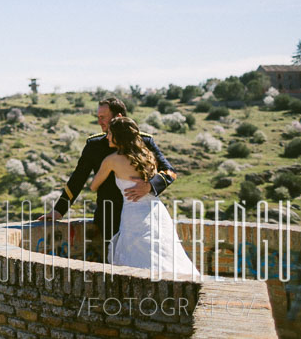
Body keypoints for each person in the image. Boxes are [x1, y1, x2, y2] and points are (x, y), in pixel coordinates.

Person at [37, 97, 177, 249]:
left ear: (118, 117)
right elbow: (77, 178)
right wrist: (59, 210)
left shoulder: (145, 141)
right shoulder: (94, 145)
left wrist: (149, 186)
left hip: (142, 216)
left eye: (103, 117)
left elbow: (170, 172)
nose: (99, 122)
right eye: (98, 117)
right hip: (109, 216)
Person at [91, 116, 200, 277]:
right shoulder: (147, 156)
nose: (107, 136)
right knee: (164, 252)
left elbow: (94, 186)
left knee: (137, 257)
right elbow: (163, 172)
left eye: (110, 133)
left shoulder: (111, 160)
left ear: (118, 136)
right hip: (156, 211)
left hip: (133, 214)